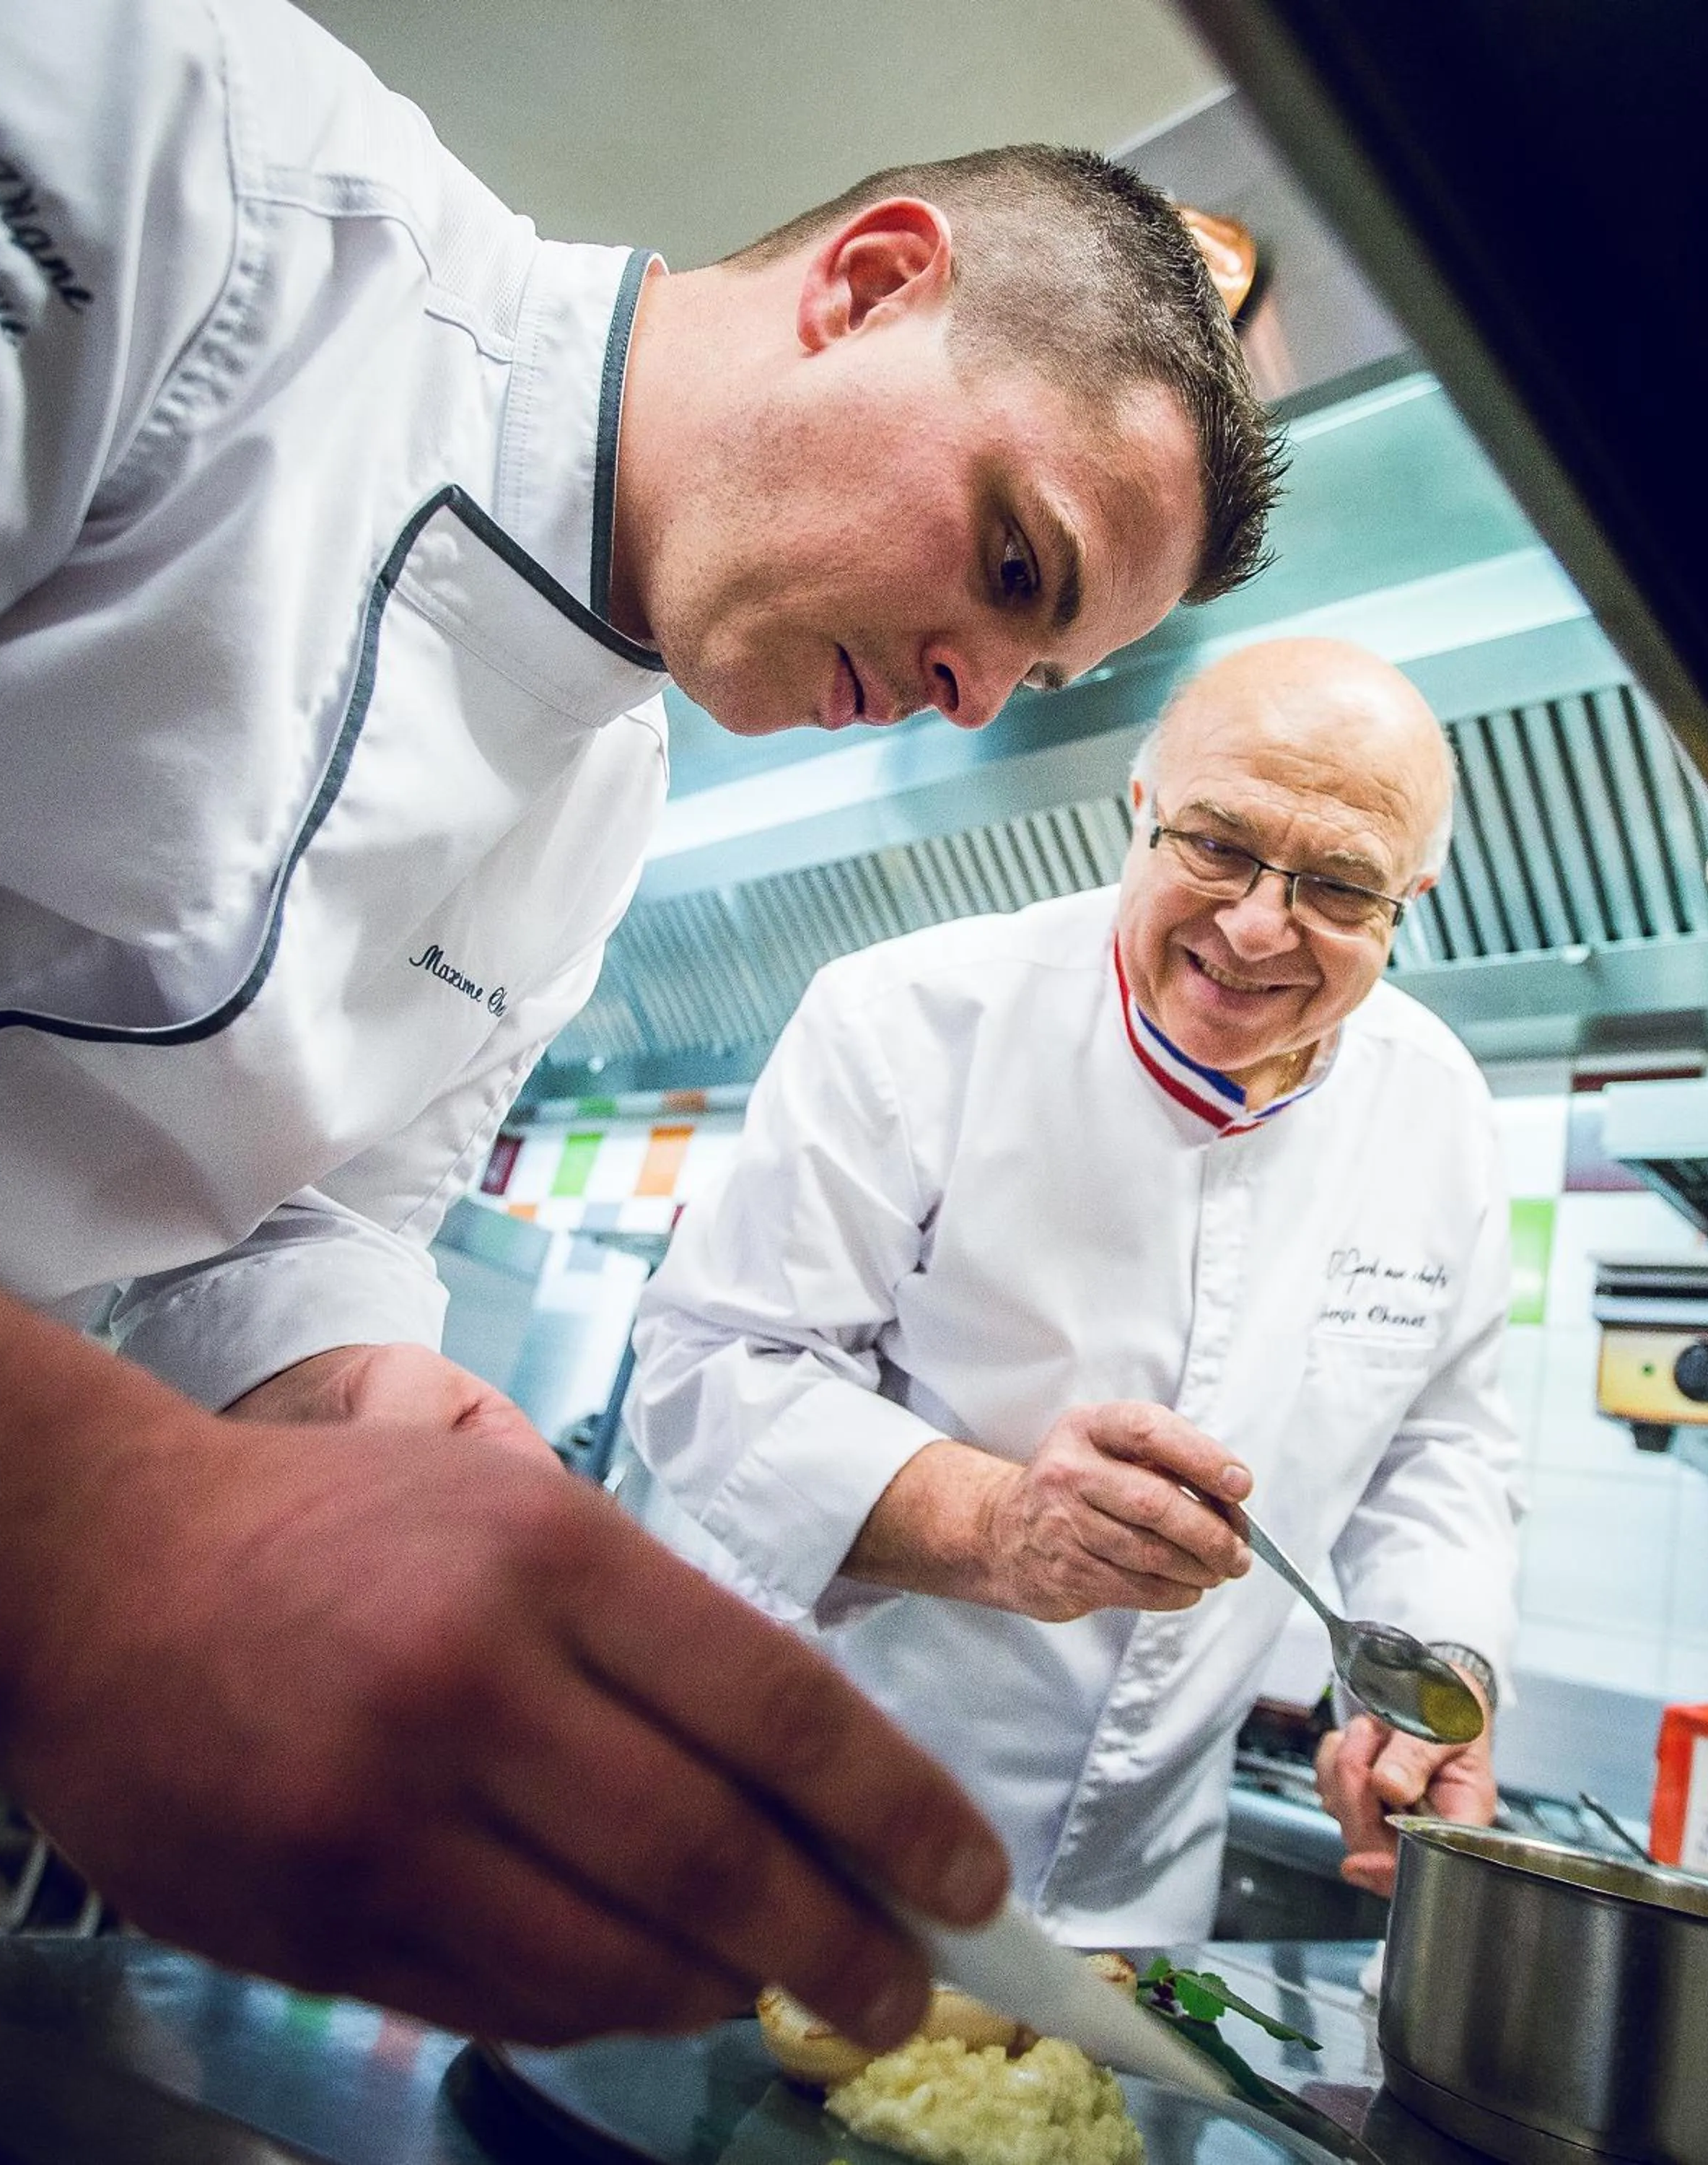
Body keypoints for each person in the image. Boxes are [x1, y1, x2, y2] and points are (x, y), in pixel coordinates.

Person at [0, 0, 1281, 2044]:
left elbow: (314, 1221)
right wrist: (78, 1534)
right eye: (1014, 562)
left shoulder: (607, 791)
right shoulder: (179, 154)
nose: (971, 689)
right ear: (872, 284)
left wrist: (379, 1413)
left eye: (1037, 667)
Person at [627, 637, 1525, 1942]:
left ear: (1411, 897)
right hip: (802, 1841)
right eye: (1216, 845)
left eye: (1338, 885)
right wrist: (995, 1523)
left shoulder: (1438, 1104)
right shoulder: (907, 1020)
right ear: (1140, 810)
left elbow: (1442, 1453)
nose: (1261, 925)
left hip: (1136, 1906)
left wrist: (1436, 1680)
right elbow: (716, 1370)